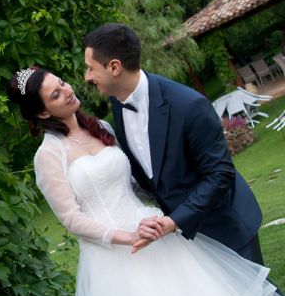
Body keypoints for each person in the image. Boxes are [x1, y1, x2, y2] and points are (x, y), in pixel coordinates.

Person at [7, 66, 285, 296]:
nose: (67, 90)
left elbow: (132, 183)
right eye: (55, 94)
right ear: (42, 113)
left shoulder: (102, 128)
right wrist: (128, 237)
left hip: (154, 232)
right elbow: (72, 219)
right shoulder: (49, 155)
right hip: (115, 255)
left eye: (62, 83)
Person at [83, 23, 265, 262]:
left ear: (114, 67)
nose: (87, 77)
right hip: (183, 240)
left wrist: (175, 220)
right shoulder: (118, 103)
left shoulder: (188, 105)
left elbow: (219, 174)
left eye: (90, 68)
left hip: (226, 227)